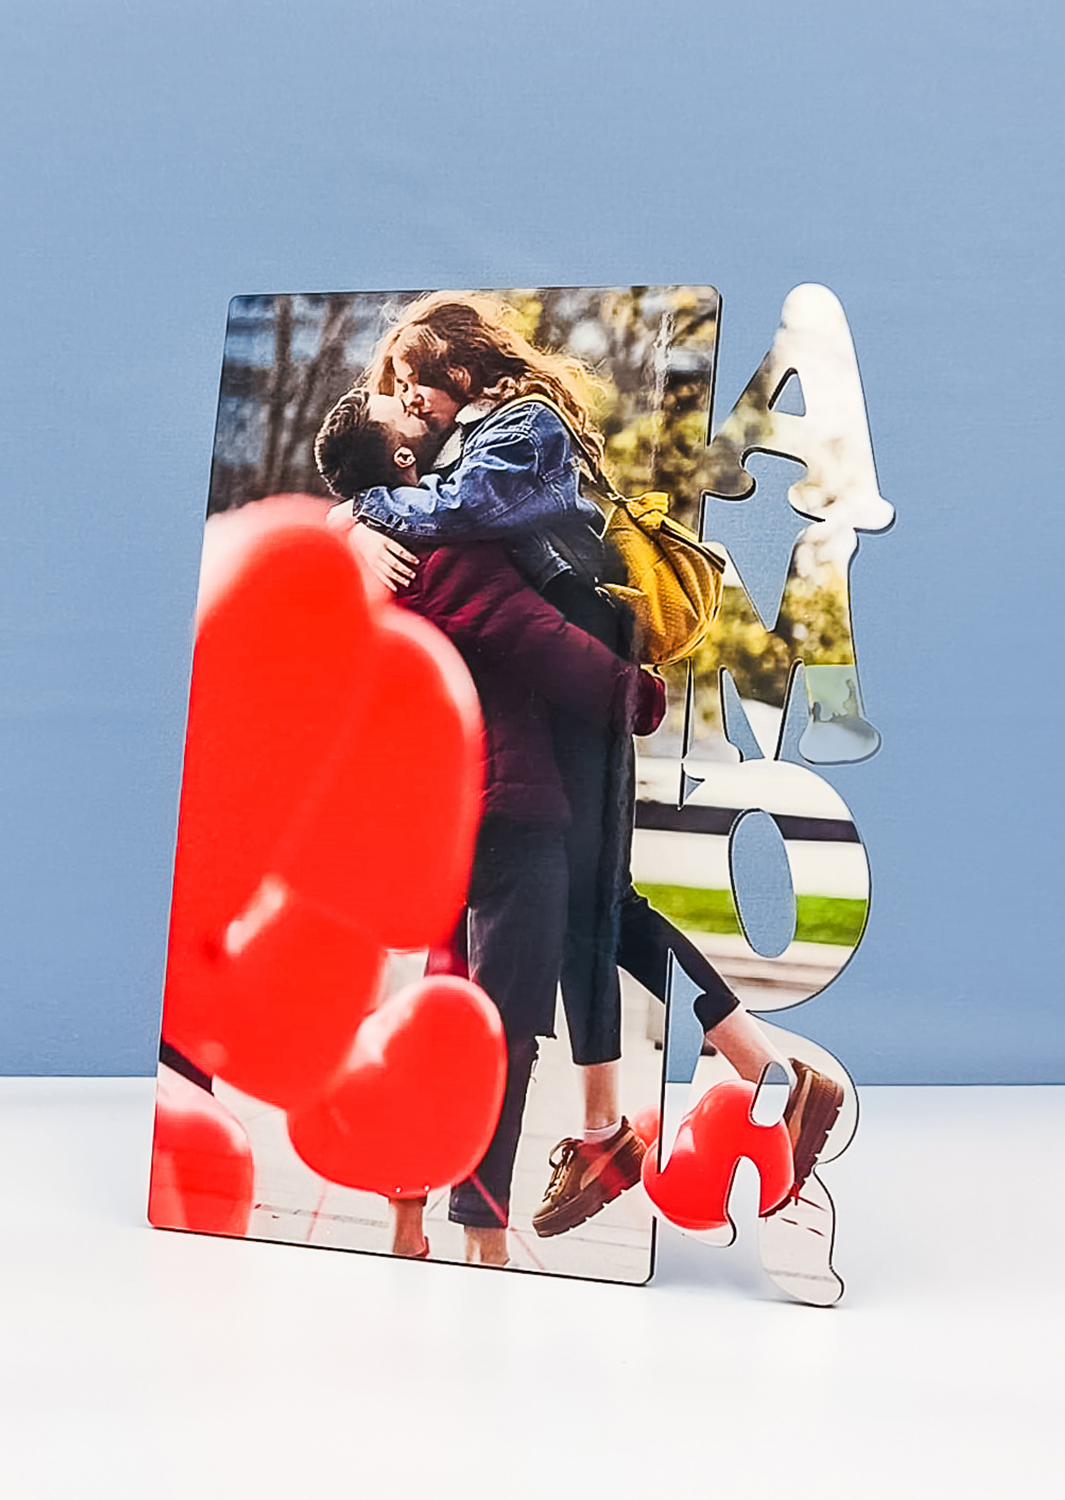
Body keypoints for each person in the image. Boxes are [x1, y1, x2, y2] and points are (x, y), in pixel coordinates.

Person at [340, 294, 846, 1236]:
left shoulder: (518, 426)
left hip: (589, 677)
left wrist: (364, 510)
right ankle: (652, 1112)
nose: (408, 398)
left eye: (414, 382)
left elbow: (467, 515)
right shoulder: (470, 445)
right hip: (573, 693)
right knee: (592, 908)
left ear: (460, 370)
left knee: (598, 904)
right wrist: (360, 522)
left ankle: (737, 1083)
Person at [315, 387, 666, 1266]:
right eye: (403, 415)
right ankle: (483, 1236)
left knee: (440, 1016)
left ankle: (406, 1219)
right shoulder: (447, 553)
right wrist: (639, 695)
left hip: (431, 828)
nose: (420, 412)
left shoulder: (368, 563)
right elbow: (538, 636)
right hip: (509, 815)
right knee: (499, 1033)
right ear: (403, 461)